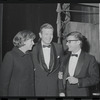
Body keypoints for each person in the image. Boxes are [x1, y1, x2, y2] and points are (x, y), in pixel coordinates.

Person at [58, 31, 99, 96]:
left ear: (78, 42)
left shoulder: (90, 59)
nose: (67, 44)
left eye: (69, 41)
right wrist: (61, 91)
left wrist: (78, 81)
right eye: (67, 41)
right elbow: (60, 76)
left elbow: (95, 79)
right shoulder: (64, 58)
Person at [0, 30, 36, 96]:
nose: (33, 43)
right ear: (24, 41)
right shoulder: (10, 56)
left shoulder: (29, 55)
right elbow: (3, 84)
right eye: (31, 41)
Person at [31, 23, 63, 96]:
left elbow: (61, 68)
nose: (49, 37)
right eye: (46, 34)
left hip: (54, 89)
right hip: (37, 89)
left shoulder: (59, 47)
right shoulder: (33, 48)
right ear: (40, 35)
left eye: (51, 34)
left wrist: (61, 90)